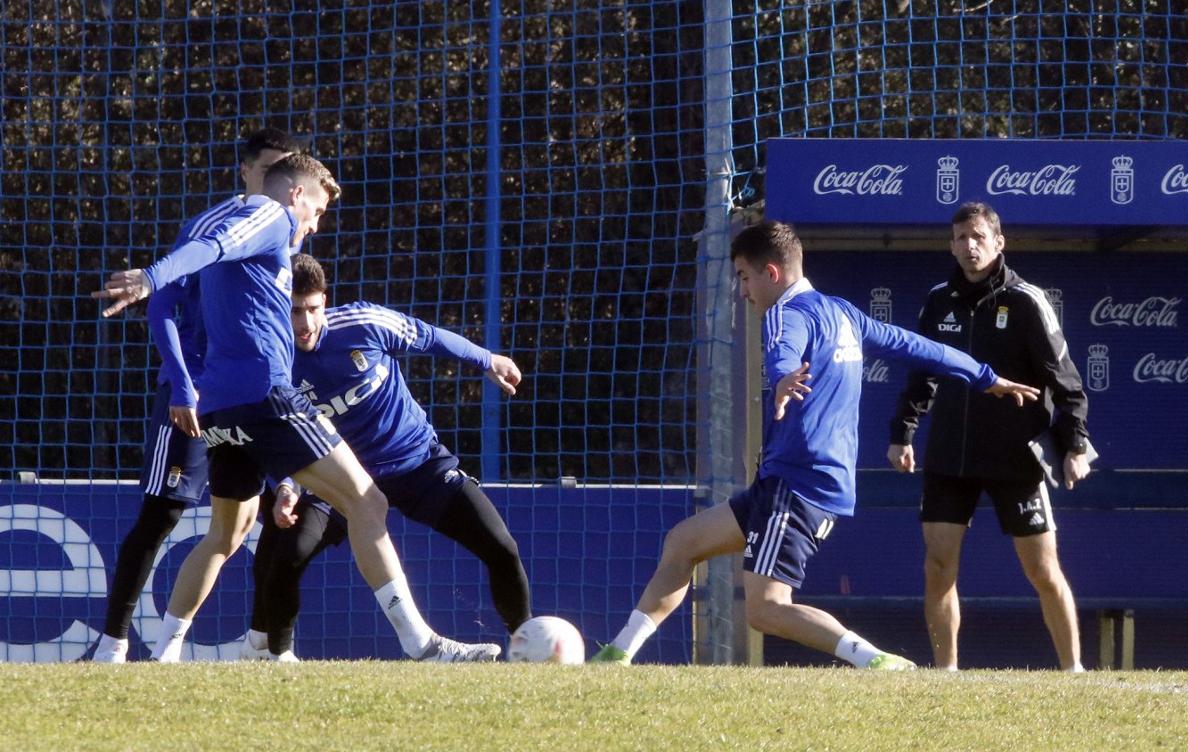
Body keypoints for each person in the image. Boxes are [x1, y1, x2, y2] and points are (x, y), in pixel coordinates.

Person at [93, 152, 500, 663]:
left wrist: (179, 372)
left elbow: (179, 286)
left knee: (228, 532)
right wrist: (152, 276)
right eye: (319, 210)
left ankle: (166, 652)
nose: (315, 224)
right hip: (265, 397)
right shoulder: (273, 215)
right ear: (296, 193)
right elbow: (218, 249)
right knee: (367, 501)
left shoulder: (205, 217)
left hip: (217, 410)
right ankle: (421, 644)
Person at [591, 220, 1041, 668]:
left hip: (798, 483)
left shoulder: (786, 313)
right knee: (683, 542)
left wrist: (782, 377)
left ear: (771, 273)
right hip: (800, 482)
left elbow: (783, 349)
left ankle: (876, 662)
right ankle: (619, 653)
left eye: (744, 278)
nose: (743, 292)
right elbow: (918, 346)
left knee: (765, 607)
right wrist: (985, 376)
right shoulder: (842, 312)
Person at [237, 253, 530, 660]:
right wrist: (286, 484)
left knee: (502, 547)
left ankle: (527, 650)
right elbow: (280, 434)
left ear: (325, 300)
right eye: (293, 311)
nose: (304, 323)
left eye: (312, 309)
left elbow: (428, 336)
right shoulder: (272, 360)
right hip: (341, 480)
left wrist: (488, 360)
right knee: (285, 551)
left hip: (417, 464)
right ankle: (274, 659)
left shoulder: (364, 324)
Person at [91, 128, 298, 663]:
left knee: (277, 508)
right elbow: (163, 304)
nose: (278, 183)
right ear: (247, 172)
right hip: (196, 396)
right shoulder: (214, 226)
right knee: (162, 513)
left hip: (254, 397)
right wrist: (184, 383)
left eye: (287, 172)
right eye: (269, 170)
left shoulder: (286, 232)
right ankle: (111, 645)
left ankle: (264, 644)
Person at [886, 201, 1092, 672]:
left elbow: (1066, 381)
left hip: (1015, 457)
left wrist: (1076, 445)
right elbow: (923, 375)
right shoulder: (938, 300)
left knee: (1042, 570)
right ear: (950, 245)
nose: (969, 246)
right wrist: (903, 434)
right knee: (938, 567)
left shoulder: (1026, 300)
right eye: (961, 238)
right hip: (949, 459)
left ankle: (1073, 671)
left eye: (978, 237)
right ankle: (946, 673)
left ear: (999, 242)